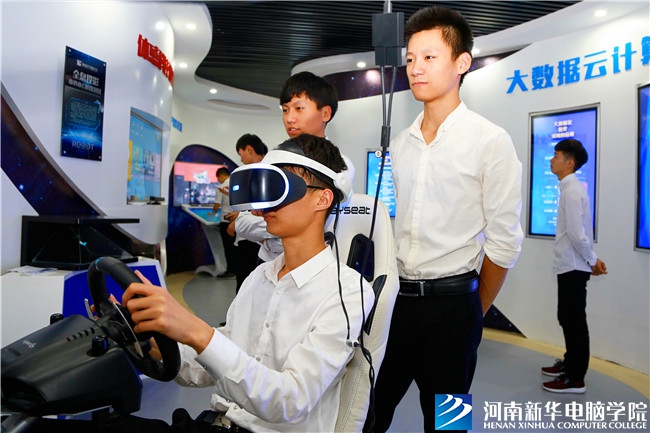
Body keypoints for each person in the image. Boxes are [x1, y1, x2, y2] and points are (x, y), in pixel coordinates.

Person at [28, 135, 374, 433]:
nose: (267, 204)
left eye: (280, 187)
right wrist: (146, 341)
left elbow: (289, 401)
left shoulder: (348, 292)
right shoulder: (260, 277)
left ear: (322, 199)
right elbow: (204, 367)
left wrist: (195, 330)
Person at [370, 6, 523, 433]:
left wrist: (473, 309)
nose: (415, 68)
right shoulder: (401, 144)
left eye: (429, 57)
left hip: (455, 308)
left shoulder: (490, 141)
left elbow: (505, 242)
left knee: (449, 424)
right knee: (367, 412)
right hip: (396, 302)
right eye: (410, 58)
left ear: (461, 63)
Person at [232, 71, 354, 264]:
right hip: (266, 262)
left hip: (309, 264)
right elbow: (242, 223)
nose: (289, 118)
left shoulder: (339, 166)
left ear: (325, 113)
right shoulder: (271, 161)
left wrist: (268, 226)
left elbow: (321, 225)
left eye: (299, 108)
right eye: (285, 110)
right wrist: (282, 225)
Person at [541, 138, 607, 394]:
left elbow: (578, 234)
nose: (551, 160)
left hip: (574, 266)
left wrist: (592, 260)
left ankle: (575, 378)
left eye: (556, 155)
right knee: (568, 318)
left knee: (574, 321)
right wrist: (591, 259)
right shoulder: (570, 189)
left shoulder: (572, 191)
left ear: (569, 162)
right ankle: (570, 364)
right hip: (571, 265)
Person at [224, 134, 268, 290]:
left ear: (249, 149)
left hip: (258, 242)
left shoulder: (269, 172)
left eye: (241, 154)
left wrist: (239, 219)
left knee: (251, 286)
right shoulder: (250, 174)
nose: (241, 159)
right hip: (247, 238)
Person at [210, 167, 236, 279]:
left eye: (218, 178)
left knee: (228, 247)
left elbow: (216, 205)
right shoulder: (236, 184)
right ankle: (236, 270)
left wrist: (211, 214)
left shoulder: (221, 187)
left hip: (226, 221)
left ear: (220, 175)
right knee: (235, 247)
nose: (218, 180)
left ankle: (231, 271)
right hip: (237, 220)